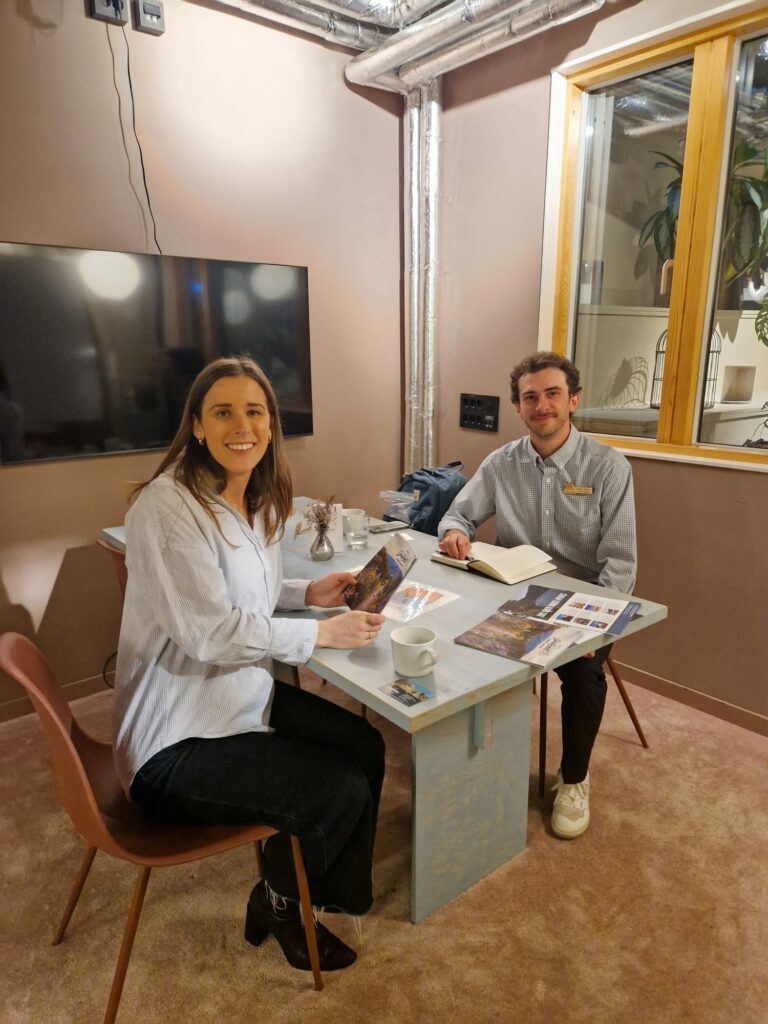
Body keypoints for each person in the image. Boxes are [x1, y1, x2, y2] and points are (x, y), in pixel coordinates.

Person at [113, 355, 386, 973]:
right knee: (336, 789)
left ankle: (323, 892)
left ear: (270, 424)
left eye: (255, 412)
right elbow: (210, 631)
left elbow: (238, 595)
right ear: (197, 426)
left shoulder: (256, 500)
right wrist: (319, 636)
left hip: (237, 697)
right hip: (175, 740)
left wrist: (307, 594)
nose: (243, 426)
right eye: (223, 412)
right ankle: (279, 904)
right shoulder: (167, 508)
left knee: (364, 746)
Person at [438, 351, 636, 840]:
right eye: (530, 397)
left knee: (584, 676)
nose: (541, 405)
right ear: (518, 406)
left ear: (573, 400)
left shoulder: (608, 467)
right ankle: (474, 760)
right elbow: (457, 514)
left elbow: (620, 563)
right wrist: (455, 532)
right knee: (453, 634)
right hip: (512, 595)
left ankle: (574, 778)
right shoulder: (501, 463)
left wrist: (592, 624)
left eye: (552, 394)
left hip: (582, 602)